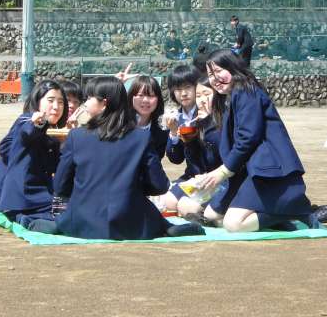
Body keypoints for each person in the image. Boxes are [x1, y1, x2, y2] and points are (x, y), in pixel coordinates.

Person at [29, 76, 203, 239]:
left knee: (53, 221)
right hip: (131, 221)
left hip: (83, 220)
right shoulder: (141, 137)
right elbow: (159, 185)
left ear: (104, 104)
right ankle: (165, 227)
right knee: (154, 219)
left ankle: (56, 225)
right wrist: (133, 187)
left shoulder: (77, 136)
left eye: (89, 98)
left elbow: (60, 185)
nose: (85, 102)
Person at [198, 49, 314, 232]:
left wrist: (222, 172)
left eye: (218, 71)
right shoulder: (230, 97)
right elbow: (226, 143)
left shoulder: (246, 90)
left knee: (233, 224)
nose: (214, 78)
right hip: (248, 170)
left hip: (269, 171)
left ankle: (294, 212)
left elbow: (248, 138)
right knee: (211, 215)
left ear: (233, 67)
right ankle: (277, 218)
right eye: (210, 74)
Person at [0, 80, 68, 224]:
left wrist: (65, 143)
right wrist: (37, 125)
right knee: (67, 211)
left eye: (61, 102)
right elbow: (26, 134)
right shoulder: (27, 120)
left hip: (39, 191)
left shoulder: (55, 130)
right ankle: (27, 220)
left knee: (70, 207)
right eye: (50, 101)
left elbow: (54, 166)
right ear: (38, 101)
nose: (56, 107)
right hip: (24, 195)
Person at [167, 75, 222, 218]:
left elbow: (219, 153)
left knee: (186, 207)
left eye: (187, 88)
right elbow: (175, 159)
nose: (183, 93)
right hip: (193, 176)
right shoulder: (175, 117)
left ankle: (210, 214)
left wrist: (207, 122)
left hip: (215, 176)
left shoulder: (212, 113)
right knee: (168, 202)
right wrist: (173, 133)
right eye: (178, 89)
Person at [127, 75, 168, 160]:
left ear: (158, 99)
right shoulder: (121, 124)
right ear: (131, 97)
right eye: (140, 95)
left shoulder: (162, 130)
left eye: (151, 96)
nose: (145, 100)